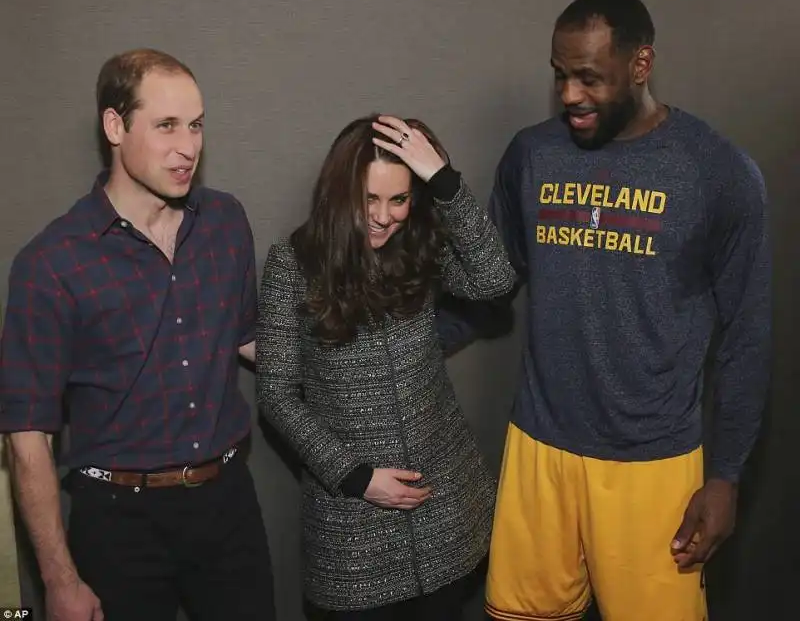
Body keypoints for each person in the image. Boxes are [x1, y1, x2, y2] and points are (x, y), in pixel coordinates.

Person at [436, 0, 771, 621]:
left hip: (652, 464)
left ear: (640, 65)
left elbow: (748, 337)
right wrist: (385, 345)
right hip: (540, 448)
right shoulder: (532, 154)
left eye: (589, 77)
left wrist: (726, 475)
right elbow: (488, 285)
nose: (569, 95)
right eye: (560, 76)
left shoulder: (717, 171)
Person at [0, 49, 275, 621]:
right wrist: (59, 579)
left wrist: (354, 363)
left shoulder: (225, 221)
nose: (188, 147)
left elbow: (248, 337)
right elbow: (27, 435)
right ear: (115, 126)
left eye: (196, 125)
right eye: (167, 125)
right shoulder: (51, 264)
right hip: (116, 521)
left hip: (226, 502)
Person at [256, 114, 515, 620]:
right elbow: (277, 395)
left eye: (399, 200)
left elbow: (496, 279)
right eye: (368, 199)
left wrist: (444, 181)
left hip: (445, 512)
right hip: (353, 535)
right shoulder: (293, 263)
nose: (382, 216)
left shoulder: (421, 247)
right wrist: (356, 477)